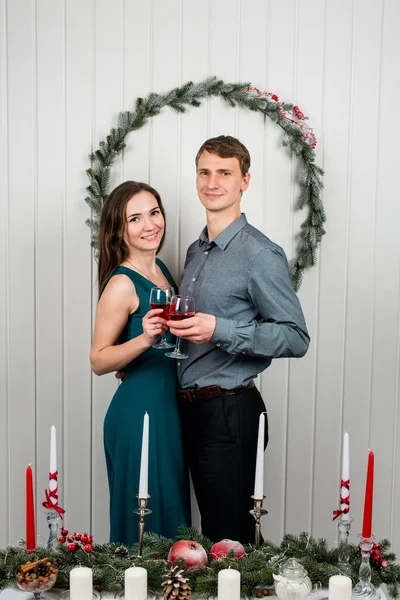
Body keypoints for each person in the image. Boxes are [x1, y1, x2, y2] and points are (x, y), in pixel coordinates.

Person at [167, 136, 310, 544]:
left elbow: (295, 337)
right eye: (204, 172)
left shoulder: (260, 254)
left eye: (224, 173)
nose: (212, 182)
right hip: (190, 411)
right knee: (209, 535)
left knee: (231, 540)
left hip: (230, 412)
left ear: (244, 180)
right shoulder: (197, 250)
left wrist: (220, 330)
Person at [90, 180, 190, 546]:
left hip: (169, 410)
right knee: (144, 523)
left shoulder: (161, 269)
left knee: (171, 520)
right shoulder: (121, 283)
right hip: (138, 414)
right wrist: (144, 339)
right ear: (120, 230)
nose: (150, 225)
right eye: (135, 218)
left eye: (154, 212)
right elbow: (99, 360)